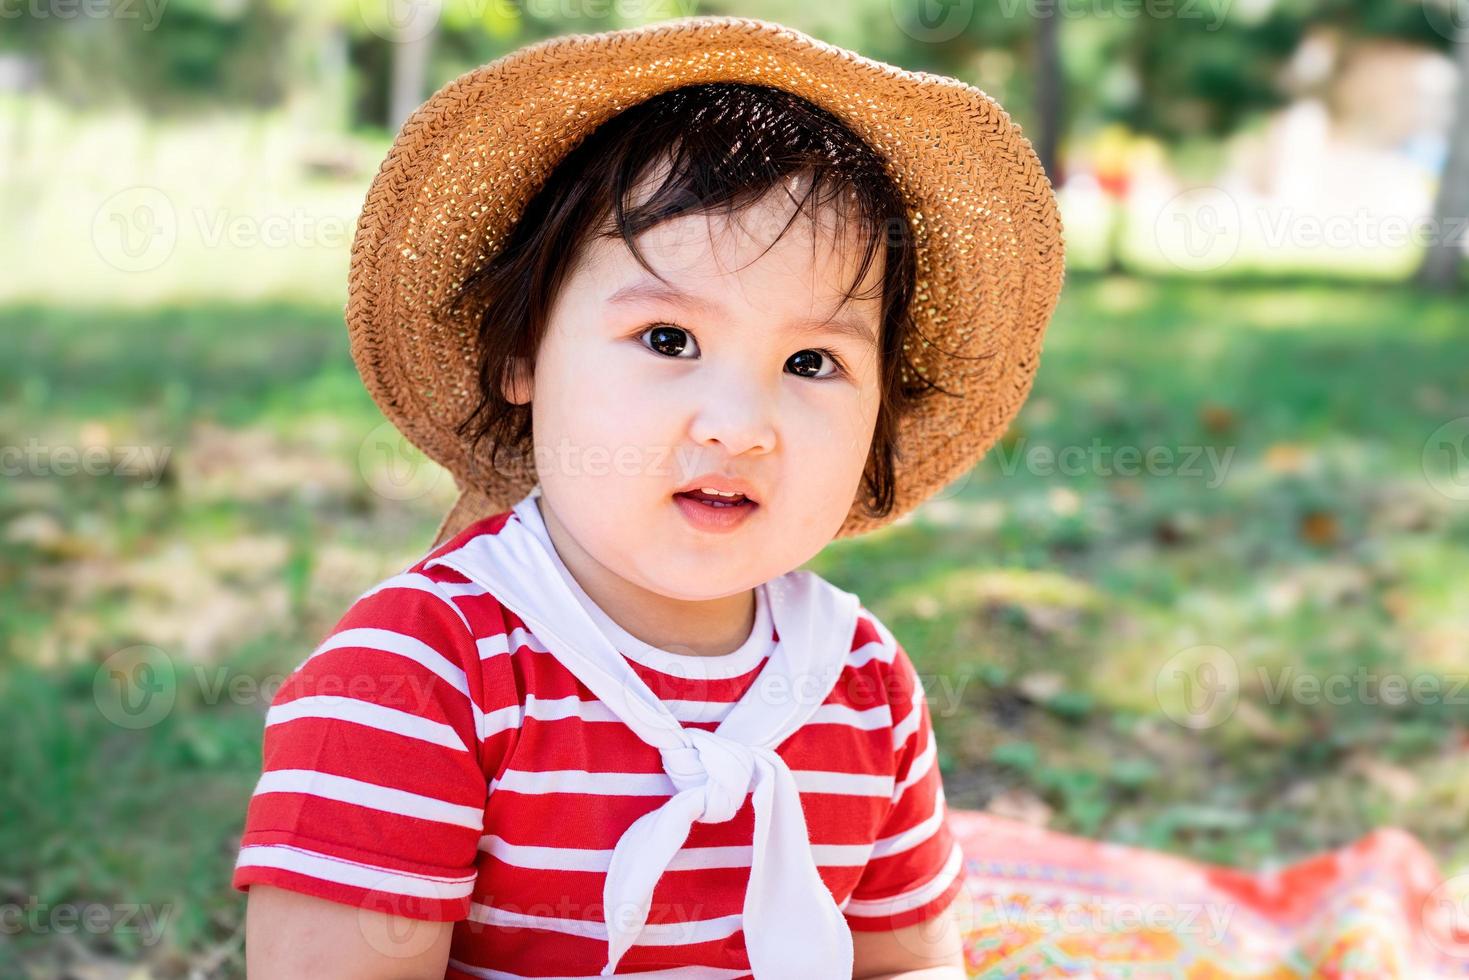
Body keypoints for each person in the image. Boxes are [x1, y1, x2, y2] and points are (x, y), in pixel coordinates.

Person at [229, 15, 1065, 979]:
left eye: (810, 361)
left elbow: (903, 962)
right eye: (668, 340)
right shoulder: (415, 680)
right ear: (520, 354)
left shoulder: (863, 685)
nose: (738, 423)